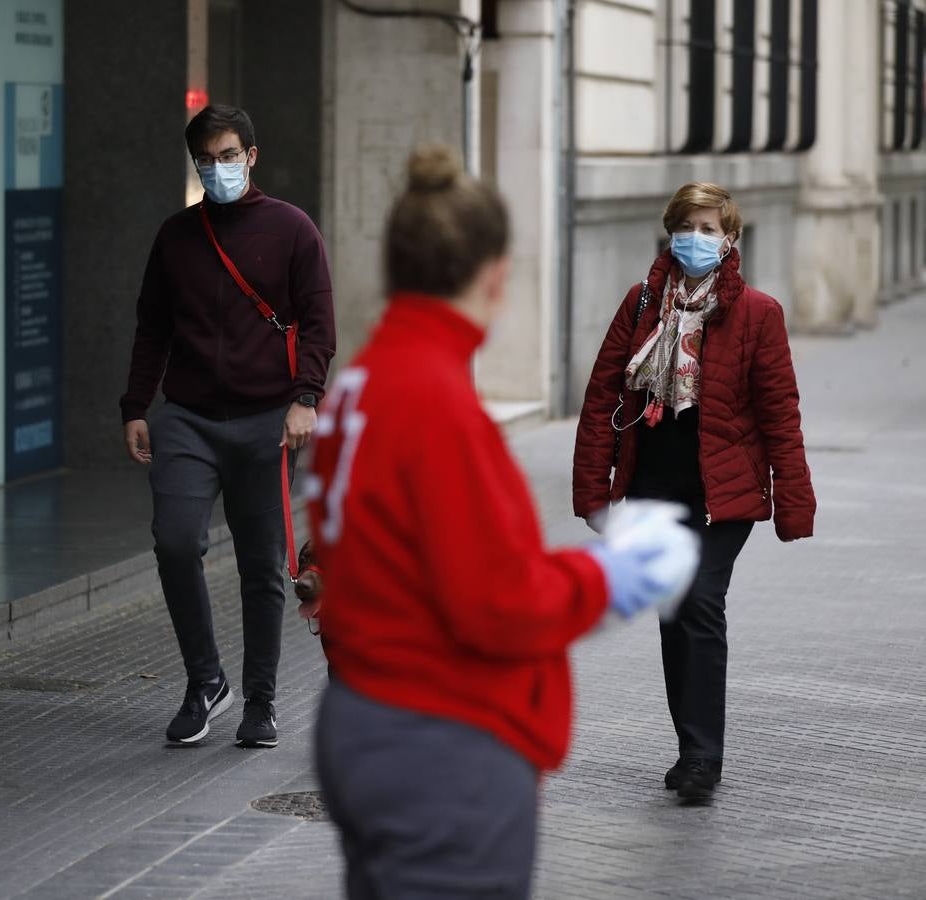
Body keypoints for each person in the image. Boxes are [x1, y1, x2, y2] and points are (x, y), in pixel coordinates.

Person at [307, 145, 698, 899]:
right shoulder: (436, 404)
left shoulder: (362, 384)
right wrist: (612, 575)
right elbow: (497, 602)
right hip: (443, 745)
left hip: (370, 718)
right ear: (494, 273)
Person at [573, 181, 815, 800]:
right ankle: (690, 748)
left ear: (730, 239)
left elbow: (780, 412)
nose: (697, 238)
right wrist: (593, 490)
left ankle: (704, 757)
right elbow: (603, 396)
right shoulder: (640, 304)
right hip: (656, 486)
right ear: (669, 232)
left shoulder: (759, 313)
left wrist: (793, 500)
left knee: (701, 600)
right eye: (687, 226)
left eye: (709, 229)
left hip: (722, 493)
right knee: (674, 612)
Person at [119, 104, 336, 748]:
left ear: (251, 156)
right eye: (206, 160)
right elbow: (152, 328)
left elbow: (320, 323)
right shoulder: (177, 237)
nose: (219, 169)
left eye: (229, 156)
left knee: (262, 565)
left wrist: (306, 398)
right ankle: (206, 681)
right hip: (186, 418)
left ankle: (261, 703)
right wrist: (136, 406)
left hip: (267, 420)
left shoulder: (292, 230)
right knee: (176, 541)